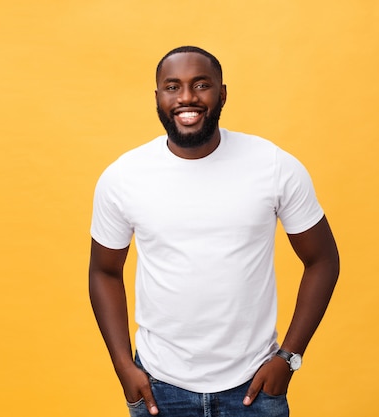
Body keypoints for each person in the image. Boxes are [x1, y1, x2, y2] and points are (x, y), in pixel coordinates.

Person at [89, 45, 339, 417]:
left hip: (254, 387)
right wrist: (124, 366)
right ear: (157, 97)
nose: (187, 97)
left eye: (200, 84)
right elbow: (104, 271)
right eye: (173, 87)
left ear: (222, 94)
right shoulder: (124, 177)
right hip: (160, 387)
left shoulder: (273, 166)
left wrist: (288, 357)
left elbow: (323, 260)